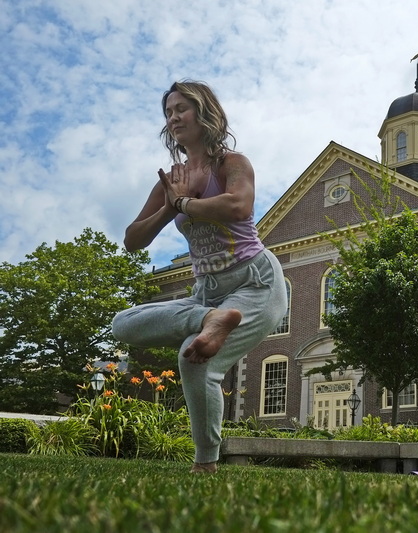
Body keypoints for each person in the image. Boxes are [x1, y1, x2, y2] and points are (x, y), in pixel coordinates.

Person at [112, 80, 287, 473]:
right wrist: (169, 205)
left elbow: (239, 206)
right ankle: (207, 321)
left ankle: (205, 463)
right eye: (168, 112)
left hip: (253, 283)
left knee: (194, 358)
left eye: (181, 109)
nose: (173, 117)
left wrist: (187, 203)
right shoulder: (170, 180)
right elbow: (132, 240)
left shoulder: (231, 164)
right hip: (206, 296)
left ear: (204, 113)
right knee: (121, 324)